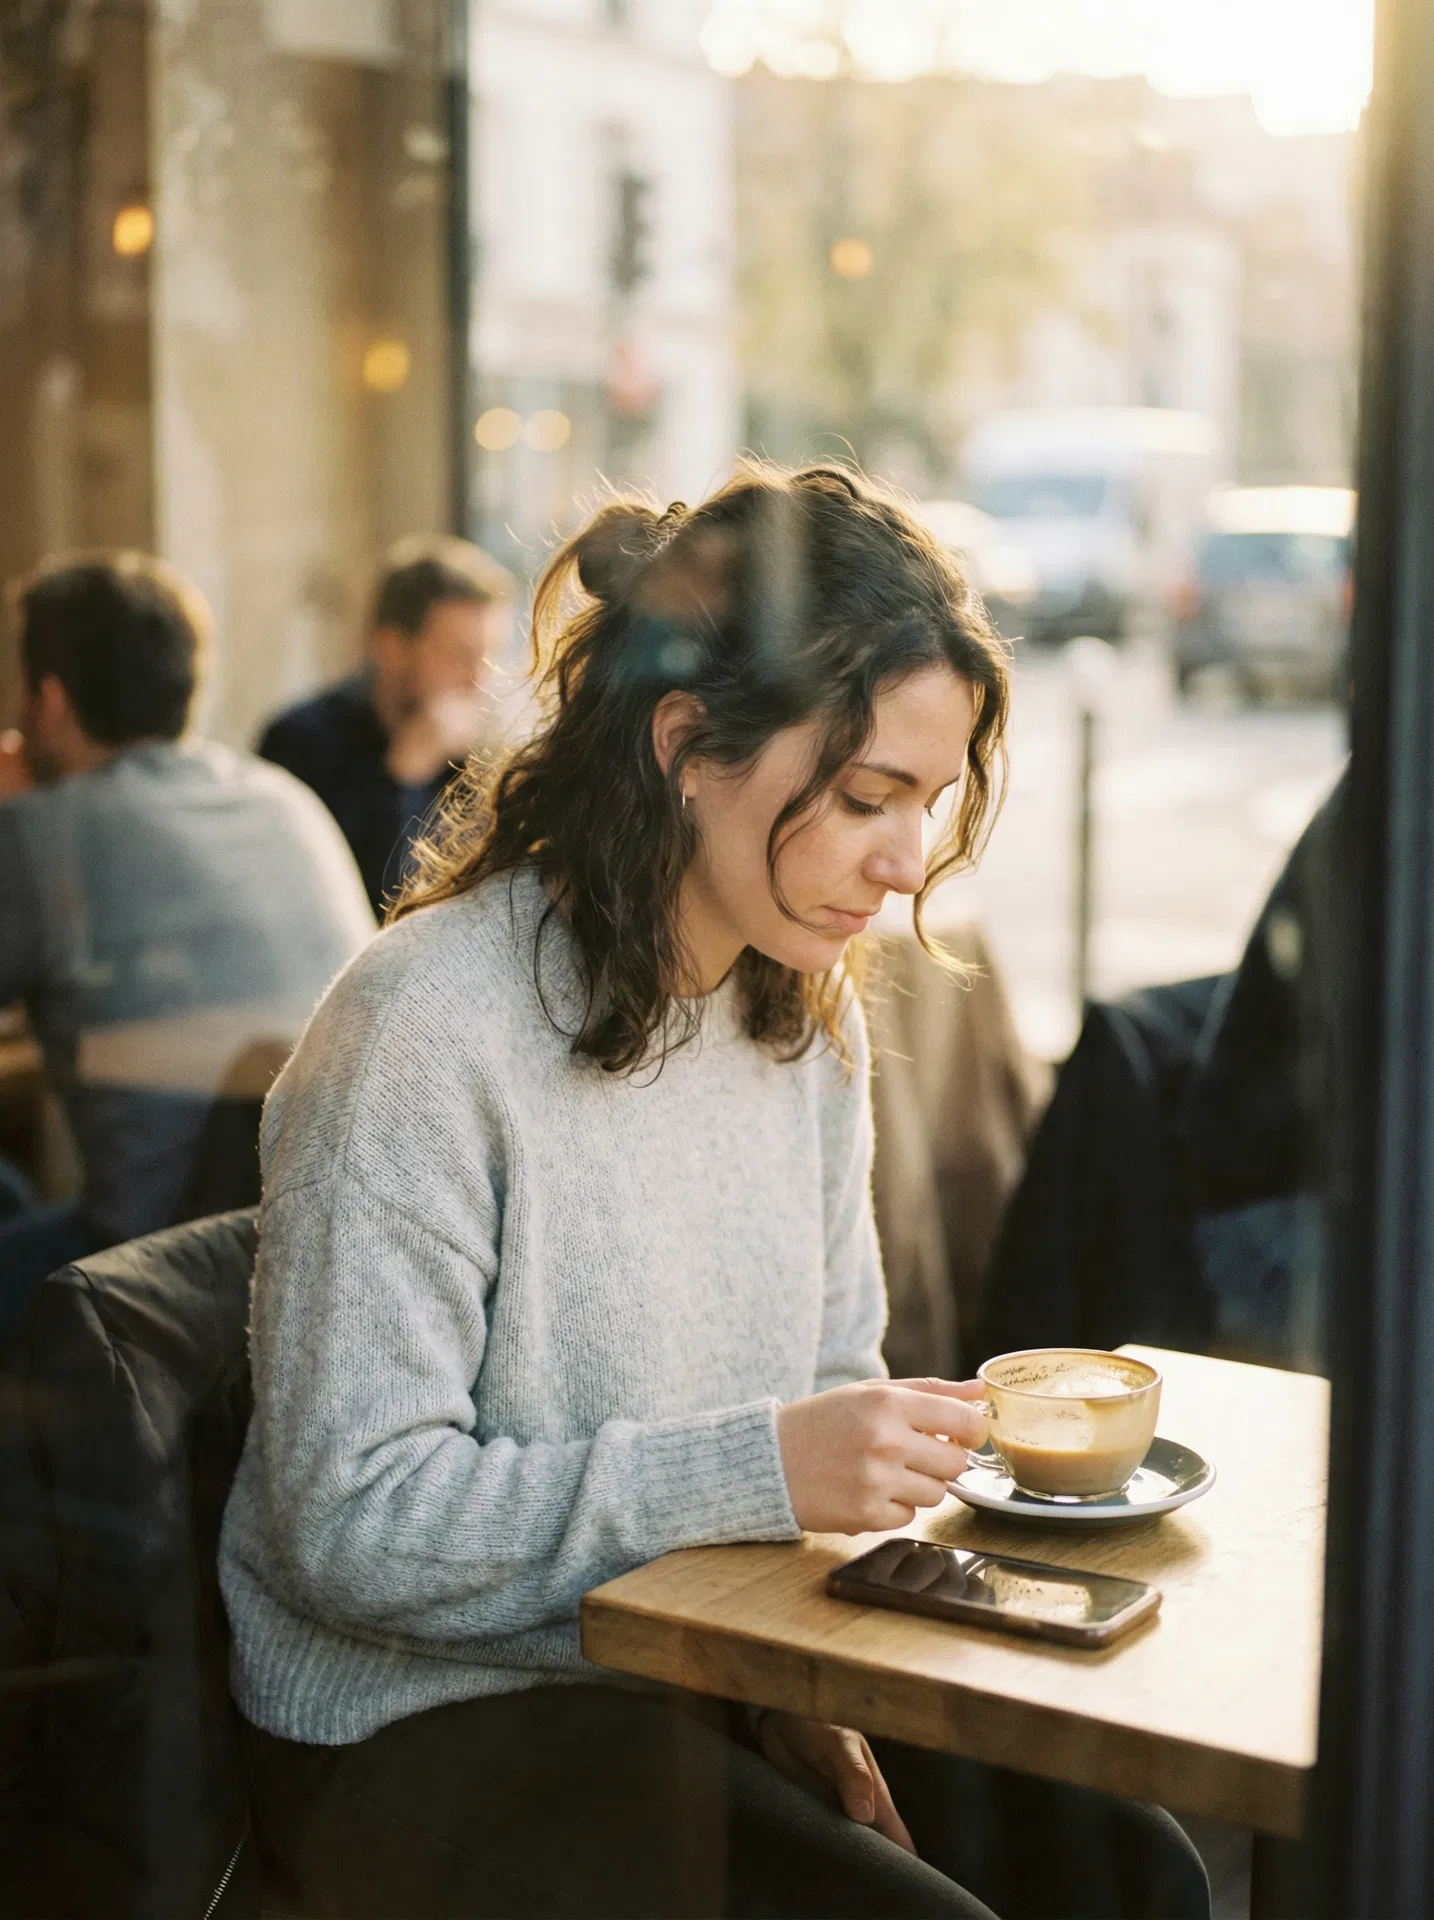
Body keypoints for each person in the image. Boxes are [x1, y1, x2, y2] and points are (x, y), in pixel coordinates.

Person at [220, 466, 1209, 1919]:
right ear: (686, 744)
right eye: (867, 796)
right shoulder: (425, 1028)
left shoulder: (803, 1014)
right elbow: (349, 1521)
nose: (902, 860)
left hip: (702, 1665)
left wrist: (818, 1667)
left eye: (926, 804)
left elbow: (826, 1380)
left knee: (1135, 1871)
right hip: (418, 1719)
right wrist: (762, 1479)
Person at [0, 554, 374, 1328]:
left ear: (50, 699)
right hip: (325, 1259)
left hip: (151, 1278)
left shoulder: (43, 835)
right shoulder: (283, 798)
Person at [256, 535, 515, 913]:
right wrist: (404, 776)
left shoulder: (477, 757)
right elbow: (382, 911)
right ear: (392, 648)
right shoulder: (300, 743)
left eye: (489, 657)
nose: (479, 681)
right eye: (461, 656)